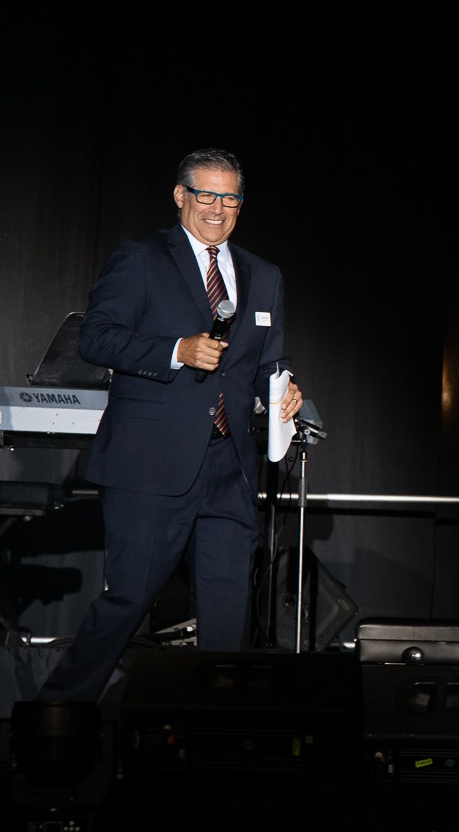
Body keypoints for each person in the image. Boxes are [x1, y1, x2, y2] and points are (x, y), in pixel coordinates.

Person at [38, 148, 303, 704]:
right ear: (181, 196)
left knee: (229, 608)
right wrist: (176, 350)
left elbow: (266, 363)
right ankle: (57, 715)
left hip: (228, 464)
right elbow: (97, 338)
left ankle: (213, 727)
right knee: (130, 598)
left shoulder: (264, 275)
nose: (217, 207)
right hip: (150, 460)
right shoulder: (141, 258)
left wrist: (285, 391)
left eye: (229, 197)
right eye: (206, 194)